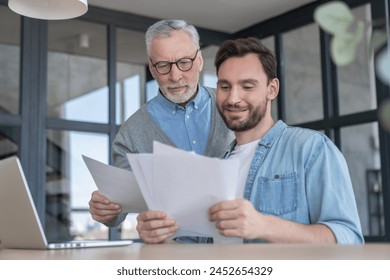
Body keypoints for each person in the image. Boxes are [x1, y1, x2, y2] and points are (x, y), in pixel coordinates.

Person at [137, 37, 364, 244]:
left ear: (271, 89)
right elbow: (197, 246)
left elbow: (350, 240)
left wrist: (265, 226)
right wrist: (161, 235)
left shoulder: (311, 149)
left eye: (247, 86)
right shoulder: (216, 165)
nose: (233, 98)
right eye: (225, 87)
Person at [88, 19, 234, 227]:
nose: (175, 76)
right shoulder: (132, 132)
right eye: (163, 65)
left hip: (236, 245)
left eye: (184, 62)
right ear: (152, 68)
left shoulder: (233, 107)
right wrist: (106, 209)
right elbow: (118, 207)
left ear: (199, 60)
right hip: (172, 251)